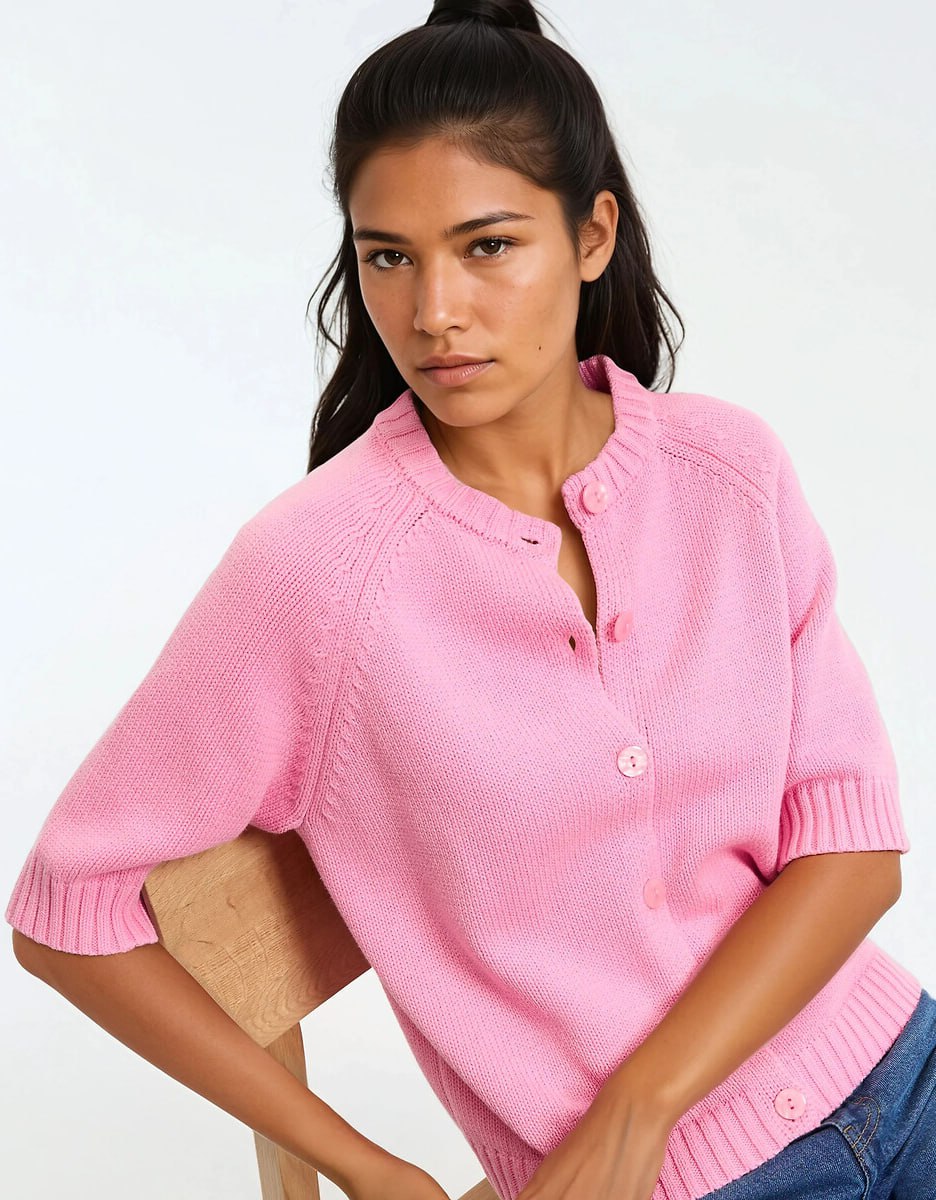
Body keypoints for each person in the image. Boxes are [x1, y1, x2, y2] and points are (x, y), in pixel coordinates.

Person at [7, 2, 935, 1199]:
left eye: (486, 246)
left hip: (899, 1063)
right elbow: (68, 910)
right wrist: (369, 1168)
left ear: (592, 234)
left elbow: (852, 846)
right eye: (388, 256)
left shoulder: (728, 473)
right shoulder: (320, 569)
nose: (433, 311)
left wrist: (644, 1105)